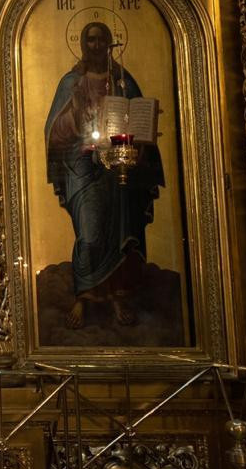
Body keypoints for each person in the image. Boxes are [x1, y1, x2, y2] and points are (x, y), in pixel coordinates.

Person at [45, 21, 164, 329]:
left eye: (102, 40)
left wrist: (141, 130)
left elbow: (139, 120)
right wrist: (74, 114)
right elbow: (54, 132)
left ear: (110, 44)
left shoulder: (123, 81)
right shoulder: (71, 83)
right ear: (83, 44)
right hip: (82, 166)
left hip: (117, 166)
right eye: (91, 40)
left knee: (119, 231)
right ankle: (83, 295)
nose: (96, 45)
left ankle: (116, 296)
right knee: (89, 233)